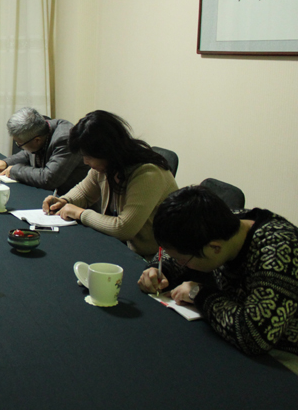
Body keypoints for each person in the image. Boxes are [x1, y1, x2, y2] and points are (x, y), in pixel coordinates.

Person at [138, 186, 298, 356]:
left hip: (282, 355)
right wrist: (158, 269)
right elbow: (179, 249)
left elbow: (254, 337)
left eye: (183, 261)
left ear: (215, 248)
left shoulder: (280, 252)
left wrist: (198, 294)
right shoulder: (224, 223)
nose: (180, 263)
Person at [42, 110, 177, 257]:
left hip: (152, 259)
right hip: (120, 247)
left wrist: (80, 213)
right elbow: (84, 193)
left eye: (88, 156)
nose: (85, 162)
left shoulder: (148, 174)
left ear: (107, 151)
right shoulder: (107, 166)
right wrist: (64, 201)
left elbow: (123, 228)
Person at [0, 107, 89, 196]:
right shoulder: (41, 128)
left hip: (71, 201)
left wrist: (14, 170)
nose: (19, 147)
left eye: (20, 144)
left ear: (37, 140)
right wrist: (6, 163)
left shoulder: (65, 139)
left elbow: (48, 179)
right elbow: (28, 152)